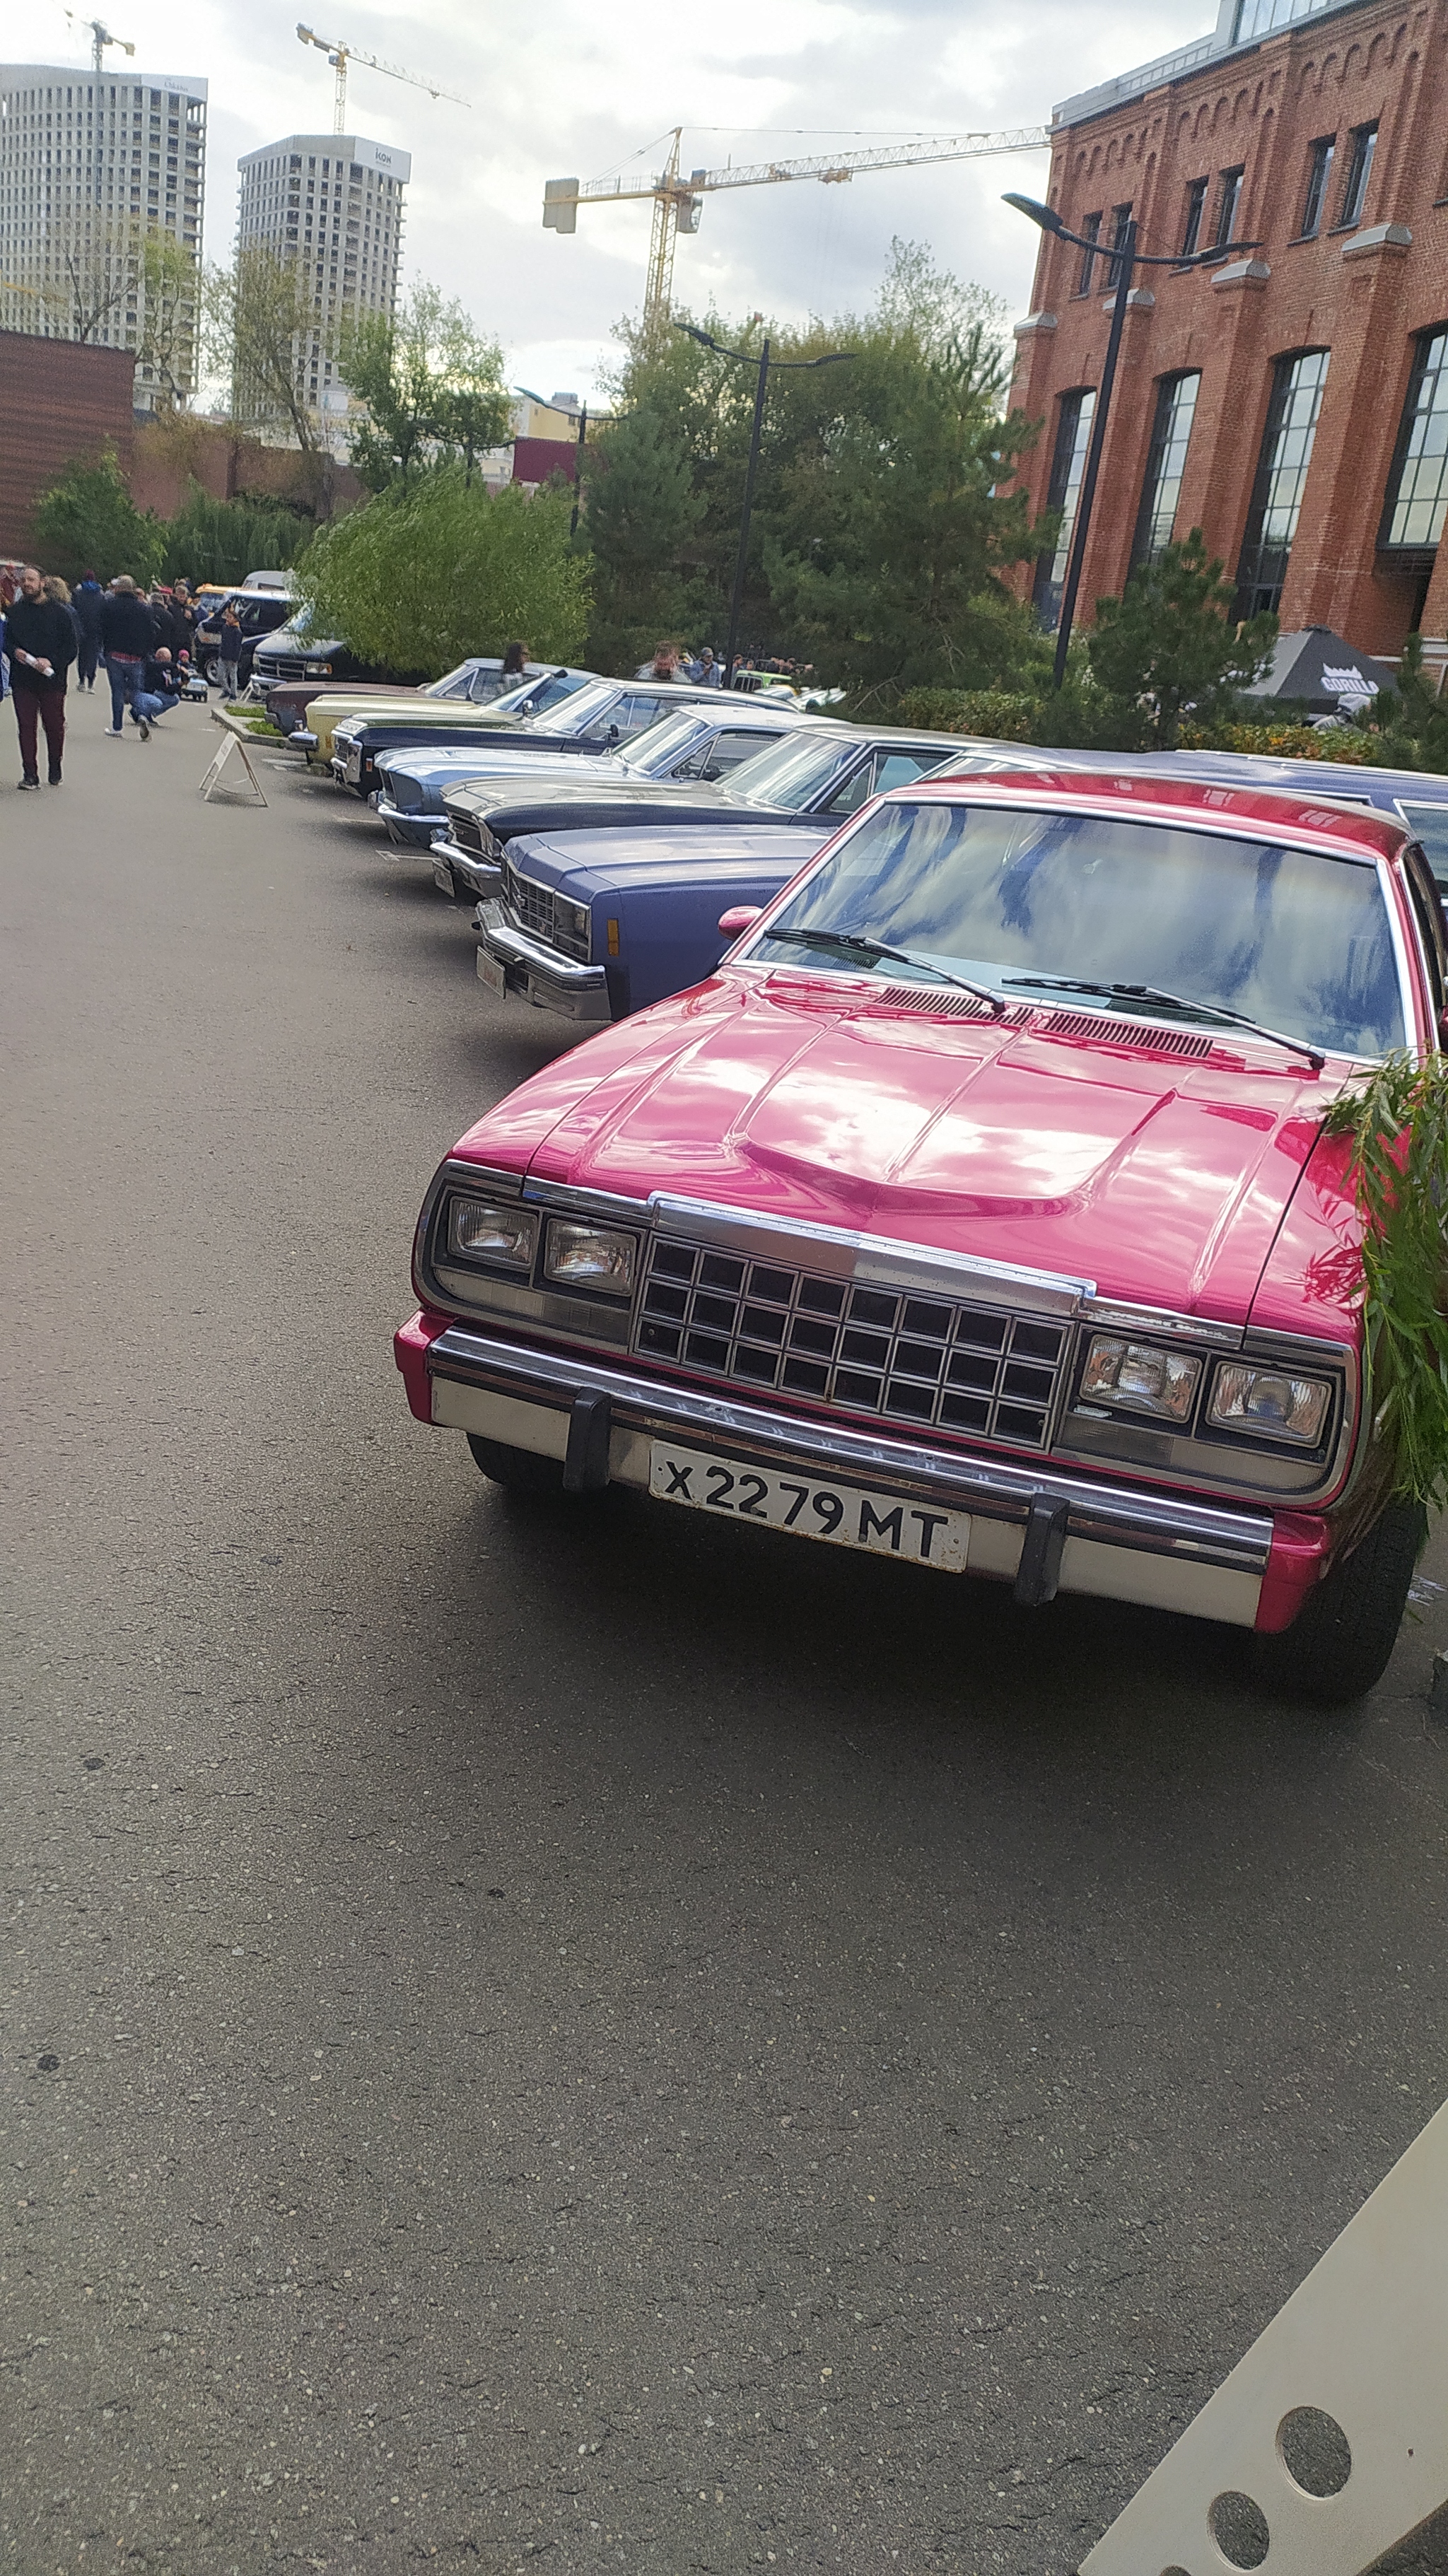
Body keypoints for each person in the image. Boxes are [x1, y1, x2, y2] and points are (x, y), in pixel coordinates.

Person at [4, 563, 76, 787]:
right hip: (23, 679)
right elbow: (6, 640)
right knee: (26, 726)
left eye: (31, 580)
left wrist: (51, 660)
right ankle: (30, 774)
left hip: (51, 680)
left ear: (42, 583)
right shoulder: (15, 612)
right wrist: (13, 651)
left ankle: (55, 767)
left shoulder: (60, 613)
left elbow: (71, 648)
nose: (27, 584)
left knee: (54, 726)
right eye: (24, 580)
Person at [100, 574, 158, 736]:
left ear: (118, 588)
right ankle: (141, 714)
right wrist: (145, 652)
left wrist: (105, 648)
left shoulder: (109, 605)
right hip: (136, 657)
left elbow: (103, 628)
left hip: (115, 654)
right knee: (137, 690)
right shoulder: (144, 609)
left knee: (117, 692)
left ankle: (117, 728)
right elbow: (151, 633)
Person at [130, 645, 182, 739]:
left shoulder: (166, 671)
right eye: (168, 660)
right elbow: (160, 685)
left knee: (175, 699)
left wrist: (179, 685)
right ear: (161, 658)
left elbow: (167, 689)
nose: (169, 662)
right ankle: (137, 712)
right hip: (144, 692)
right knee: (157, 703)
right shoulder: (151, 666)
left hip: (155, 692)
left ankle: (147, 714)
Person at [73, 569, 103, 691]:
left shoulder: (77, 594)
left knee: (82, 656)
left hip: (81, 628)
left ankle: (81, 681)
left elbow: (74, 612)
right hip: (96, 630)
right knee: (93, 656)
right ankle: (91, 682)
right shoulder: (100, 595)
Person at [218, 602, 243, 700]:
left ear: (235, 620)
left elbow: (237, 646)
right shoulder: (224, 628)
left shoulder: (237, 631)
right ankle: (226, 690)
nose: (228, 619)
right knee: (220, 675)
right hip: (223, 655)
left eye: (230, 617)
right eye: (227, 617)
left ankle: (234, 694)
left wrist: (235, 658)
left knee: (233, 677)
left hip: (232, 658)